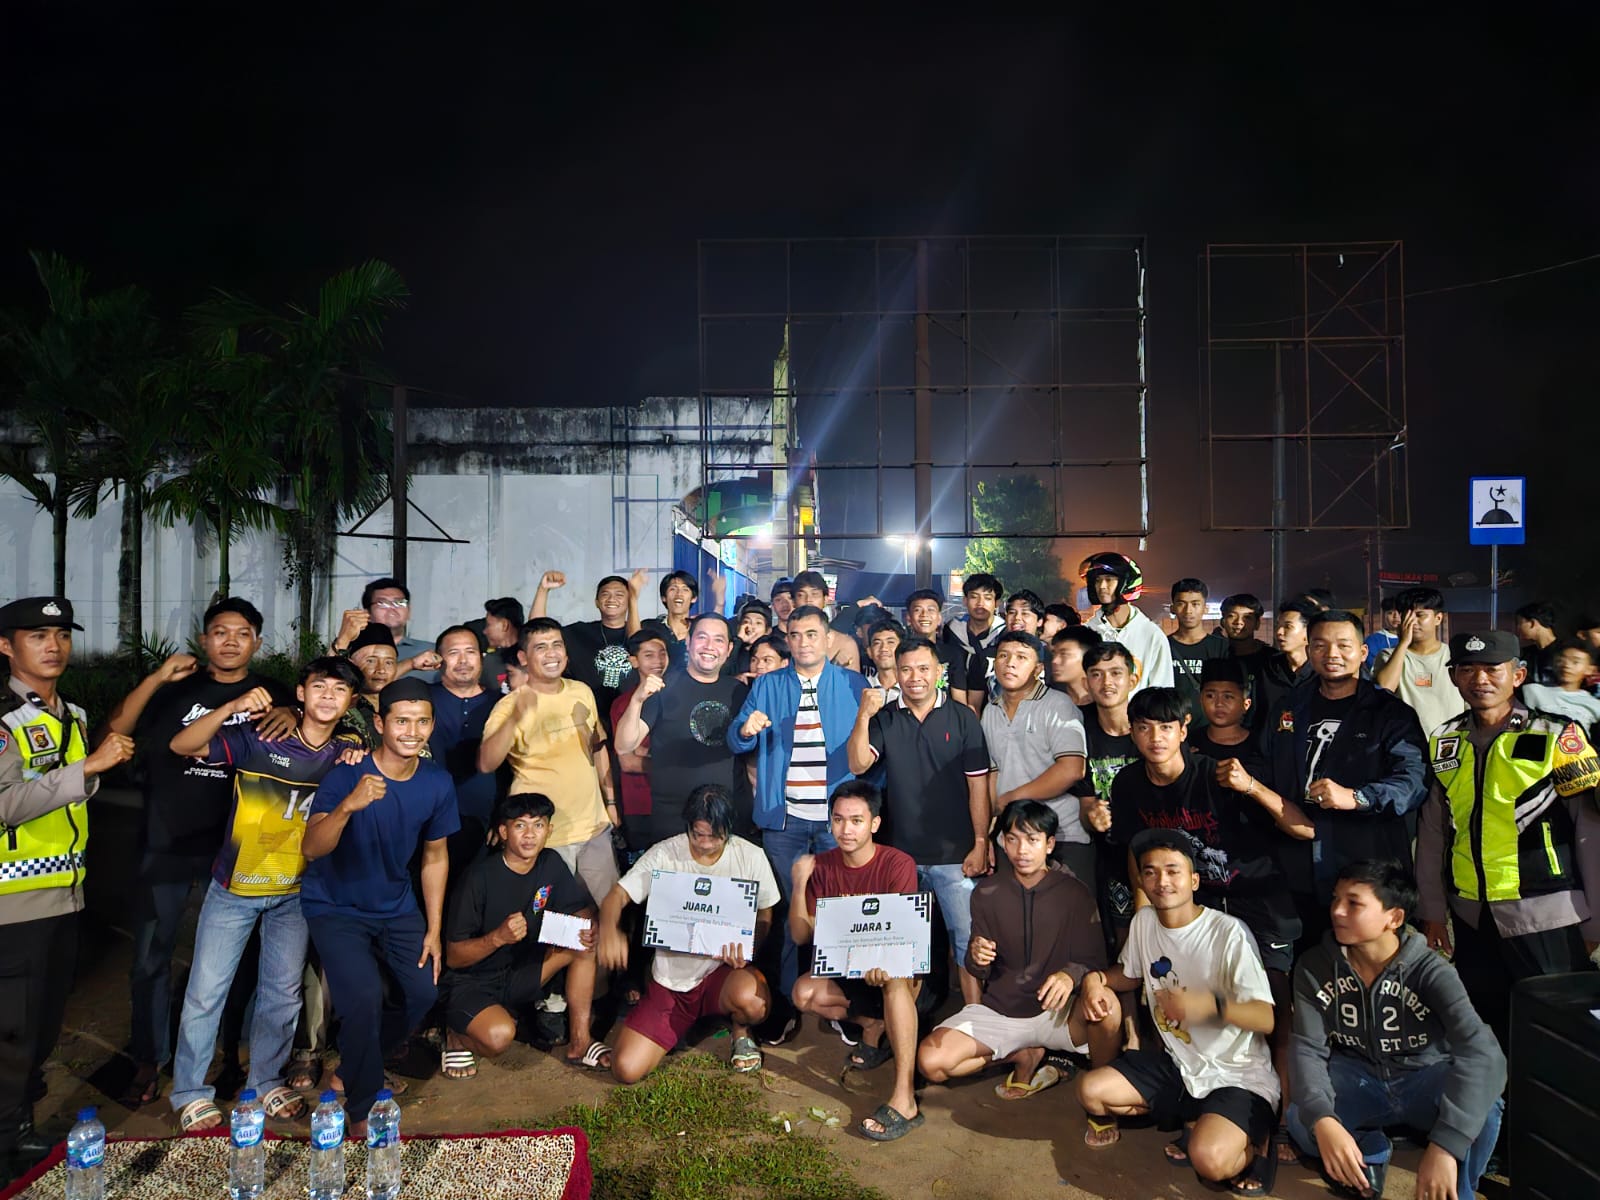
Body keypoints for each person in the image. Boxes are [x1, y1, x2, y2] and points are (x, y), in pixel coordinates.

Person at [100, 596, 294, 1107]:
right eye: (220, 632)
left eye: (242, 633)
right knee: (151, 955)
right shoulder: (175, 689)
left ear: (257, 642)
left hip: (234, 850)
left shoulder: (274, 695)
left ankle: (234, 1054)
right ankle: (149, 1057)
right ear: (204, 639)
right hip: (166, 841)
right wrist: (156, 678)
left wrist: (291, 712)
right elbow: (113, 734)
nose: (230, 641)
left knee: (238, 961)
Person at [166, 657, 363, 1131]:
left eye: (339, 690)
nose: (328, 696)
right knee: (206, 992)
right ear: (301, 693)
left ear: (351, 702)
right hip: (234, 887)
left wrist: (359, 746)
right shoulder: (260, 738)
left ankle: (266, 1081)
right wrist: (231, 706)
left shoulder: (345, 753)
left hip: (295, 892)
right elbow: (182, 744)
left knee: (282, 994)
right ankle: (189, 1091)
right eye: (319, 686)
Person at [0, 598, 134, 1179]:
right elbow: (5, 805)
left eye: (61, 634)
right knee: (12, 1031)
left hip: (64, 893)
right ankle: (6, 1146)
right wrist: (88, 769)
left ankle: (19, 1130)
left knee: (41, 1026)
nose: (53, 646)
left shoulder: (70, 714)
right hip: (12, 903)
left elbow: (71, 796)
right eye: (37, 635)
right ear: (5, 646)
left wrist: (88, 772)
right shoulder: (4, 719)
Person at [1416, 630, 1600, 1052]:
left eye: (1492, 669)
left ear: (1517, 676)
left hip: (1547, 914)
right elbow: (1432, 831)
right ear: (1453, 677)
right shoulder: (1445, 741)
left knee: (1557, 1036)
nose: (1479, 679)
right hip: (1472, 917)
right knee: (1484, 1033)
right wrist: (1432, 911)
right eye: (1467, 669)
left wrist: (1596, 920)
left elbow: (1590, 832)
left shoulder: (1557, 736)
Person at [1076, 829, 1279, 1197]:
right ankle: (1196, 1117)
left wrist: (1201, 1005)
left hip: (1235, 1073)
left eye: (1173, 871)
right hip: (1179, 1066)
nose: (1161, 881)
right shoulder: (1144, 922)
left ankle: (1258, 1143)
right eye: (1150, 872)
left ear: (1194, 880)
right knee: (1091, 1091)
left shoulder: (1228, 933)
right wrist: (1095, 979)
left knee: (1211, 1163)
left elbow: (1265, 1018)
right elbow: (1129, 974)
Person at [1289, 860, 1506, 1200]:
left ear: (1394, 918)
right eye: (1336, 899)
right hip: (1357, 1077)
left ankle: (1457, 1192)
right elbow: (1307, 1048)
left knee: (1486, 1110)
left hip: (1424, 1076)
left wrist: (1446, 1145)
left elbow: (1484, 1053)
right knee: (1301, 1119)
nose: (1338, 911)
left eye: (1354, 903)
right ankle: (1371, 1148)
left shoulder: (1430, 971)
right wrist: (1323, 1120)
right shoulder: (1314, 967)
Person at [299, 677, 460, 1135]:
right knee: (363, 998)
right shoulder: (346, 775)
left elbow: (435, 857)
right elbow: (312, 847)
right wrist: (347, 807)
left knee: (424, 992)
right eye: (401, 721)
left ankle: (355, 1065)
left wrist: (434, 929)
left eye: (422, 722)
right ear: (379, 723)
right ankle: (362, 1108)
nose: (412, 731)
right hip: (335, 906)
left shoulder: (437, 782)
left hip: (395, 905)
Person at [918, 801, 1119, 1103]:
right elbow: (978, 968)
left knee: (1107, 1005)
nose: (1022, 850)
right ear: (1003, 842)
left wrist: (1068, 976)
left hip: (1058, 1014)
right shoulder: (986, 893)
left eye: (1032, 840)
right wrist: (976, 955)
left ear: (1049, 844)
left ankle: (1104, 1097)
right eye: (1013, 839)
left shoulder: (1074, 892)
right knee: (931, 1062)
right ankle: (1021, 1054)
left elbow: (1094, 960)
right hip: (1002, 1013)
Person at [727, 605, 867, 1018]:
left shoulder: (853, 683)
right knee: (791, 910)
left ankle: (839, 997)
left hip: (836, 822)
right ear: (786, 641)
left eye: (811, 634)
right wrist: (746, 729)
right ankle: (788, 1000)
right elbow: (736, 741)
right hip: (783, 819)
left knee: (838, 908)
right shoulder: (768, 684)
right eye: (795, 635)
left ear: (828, 639)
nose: (803, 642)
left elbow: (867, 751)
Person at [597, 785, 780, 1082]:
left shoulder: (750, 856)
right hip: (671, 982)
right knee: (626, 1070)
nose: (706, 844)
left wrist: (748, 948)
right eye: (698, 834)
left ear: (729, 829)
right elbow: (616, 896)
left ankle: (740, 1030)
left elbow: (766, 911)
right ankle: (680, 1024)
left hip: (721, 974)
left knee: (754, 1002)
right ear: (688, 826)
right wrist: (609, 930)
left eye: (715, 836)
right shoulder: (665, 853)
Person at [1268, 610, 1428, 946]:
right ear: (1309, 650)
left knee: (1373, 961)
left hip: (1366, 866)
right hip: (1297, 866)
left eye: (1343, 645)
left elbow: (1413, 781)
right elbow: (1263, 765)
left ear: (1363, 651)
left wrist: (1357, 797)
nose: (1332, 654)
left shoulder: (1390, 713)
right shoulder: (1289, 707)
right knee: (1310, 961)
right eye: (1320, 645)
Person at [848, 636, 990, 1006]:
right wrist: (863, 714)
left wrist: (980, 842)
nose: (915, 677)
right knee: (906, 945)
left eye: (924, 668)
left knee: (966, 942)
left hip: (955, 855)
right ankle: (910, 1020)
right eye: (906, 670)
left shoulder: (963, 718)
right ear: (895, 673)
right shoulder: (886, 717)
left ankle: (974, 1017)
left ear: (939, 671)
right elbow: (858, 763)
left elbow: (978, 786)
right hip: (902, 856)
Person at [788, 782, 925, 1140]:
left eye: (856, 820)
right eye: (838, 820)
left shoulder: (898, 863)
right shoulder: (822, 866)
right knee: (803, 992)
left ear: (874, 824)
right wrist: (799, 885)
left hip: (891, 967)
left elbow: (903, 938)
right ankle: (873, 1026)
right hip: (849, 968)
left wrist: (883, 962)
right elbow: (801, 935)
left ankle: (905, 1097)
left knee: (895, 976)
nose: (846, 829)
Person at [441, 793, 609, 1078]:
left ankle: (580, 1042)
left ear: (549, 830)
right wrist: (497, 937)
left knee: (583, 942)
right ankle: (455, 1035)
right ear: (504, 831)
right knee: (499, 1037)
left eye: (538, 825)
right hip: (473, 981)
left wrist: (587, 926)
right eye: (520, 825)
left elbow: (579, 908)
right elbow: (454, 958)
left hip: (520, 971)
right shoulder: (478, 878)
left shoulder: (550, 862)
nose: (530, 835)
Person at [479, 618, 620, 905]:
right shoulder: (509, 706)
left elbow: (597, 748)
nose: (552, 653)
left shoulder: (582, 691)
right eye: (541, 647)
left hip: (594, 830)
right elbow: (486, 763)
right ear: (523, 657)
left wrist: (611, 803)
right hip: (545, 838)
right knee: (550, 922)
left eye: (557, 645)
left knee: (608, 915)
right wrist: (515, 718)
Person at [615, 613, 739, 849]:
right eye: (702, 637)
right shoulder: (664, 686)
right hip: (671, 817)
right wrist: (637, 700)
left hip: (722, 817)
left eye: (718, 640)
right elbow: (623, 745)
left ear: (728, 649)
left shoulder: (738, 691)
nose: (709, 646)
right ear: (688, 642)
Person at [981, 631, 1090, 883]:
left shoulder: (1058, 705)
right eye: (1003, 656)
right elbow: (992, 776)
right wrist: (987, 835)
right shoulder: (990, 711)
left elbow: (1072, 769)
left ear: (1038, 668)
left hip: (1061, 836)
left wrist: (1011, 798)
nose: (1010, 663)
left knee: (1069, 906)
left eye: (1021, 657)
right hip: (1011, 838)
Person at [1073, 643, 1144, 947]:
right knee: (1122, 940)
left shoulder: (1151, 724)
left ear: (1133, 679)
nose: (1107, 682)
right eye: (1096, 674)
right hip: (1109, 855)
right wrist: (1092, 815)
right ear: (1086, 682)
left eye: (1116, 673)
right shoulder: (1078, 727)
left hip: (1153, 847)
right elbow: (1085, 803)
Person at [428, 626, 502, 880]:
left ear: (481, 657)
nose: (463, 661)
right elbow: (374, 690)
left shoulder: (501, 704)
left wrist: (504, 815)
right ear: (439, 659)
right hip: (431, 821)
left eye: (470, 652)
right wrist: (411, 664)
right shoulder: (423, 698)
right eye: (453, 653)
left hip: (488, 823)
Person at [530, 569, 647, 726]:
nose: (612, 599)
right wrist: (543, 590)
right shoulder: (579, 632)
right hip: (584, 719)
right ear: (596, 602)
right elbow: (537, 632)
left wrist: (633, 599)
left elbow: (637, 644)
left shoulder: (641, 631)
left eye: (619, 595)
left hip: (629, 718)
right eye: (605, 594)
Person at [608, 628, 670, 858]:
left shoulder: (678, 697)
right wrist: (670, 765)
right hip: (640, 805)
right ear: (633, 661)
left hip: (674, 803)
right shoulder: (623, 704)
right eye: (649, 655)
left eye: (662, 653)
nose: (658, 661)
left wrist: (645, 753)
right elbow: (628, 762)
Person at [1373, 586, 1465, 736]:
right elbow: (1384, 690)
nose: (1413, 622)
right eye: (1407, 616)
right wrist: (1403, 643)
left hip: (1450, 742)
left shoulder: (1455, 657)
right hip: (1405, 743)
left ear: (1438, 618)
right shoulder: (1388, 656)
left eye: (1420, 615)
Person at [1081, 553, 1173, 692]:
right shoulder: (1086, 633)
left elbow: (1163, 692)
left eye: (1109, 580)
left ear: (1127, 583)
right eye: (1098, 580)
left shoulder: (1152, 636)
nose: (1102, 586)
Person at [332, 578, 441, 680]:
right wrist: (343, 639)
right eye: (382, 603)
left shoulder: (432, 650)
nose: (392, 608)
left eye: (399, 602)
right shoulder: (349, 649)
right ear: (367, 613)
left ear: (409, 611)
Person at [1188, 657, 1270, 783]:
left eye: (1228, 697)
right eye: (1210, 696)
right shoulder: (1187, 743)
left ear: (1246, 704)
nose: (1219, 703)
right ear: (1201, 700)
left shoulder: (1261, 746)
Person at [963, 590, 1046, 714]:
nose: (1017, 618)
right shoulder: (984, 657)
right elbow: (974, 705)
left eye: (1025, 613)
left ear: (1040, 621)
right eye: (1012, 612)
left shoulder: (1051, 658)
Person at [1168, 578, 1228, 726]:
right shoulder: (1162, 646)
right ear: (1172, 608)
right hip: (1172, 727)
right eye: (1181, 603)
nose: (1188, 611)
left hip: (1211, 729)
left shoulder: (1222, 647)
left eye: (1195, 604)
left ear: (1205, 608)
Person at [903, 588, 969, 705]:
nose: (924, 615)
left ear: (939, 618)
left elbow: (959, 699)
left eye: (931, 610)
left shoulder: (952, 654)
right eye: (918, 610)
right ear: (908, 618)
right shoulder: (901, 653)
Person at [1256, 599, 1317, 721]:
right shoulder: (1267, 668)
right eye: (1278, 626)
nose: (1279, 632)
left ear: (1309, 632)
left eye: (1288, 626)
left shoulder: (1321, 672)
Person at [1521, 639, 1600, 733]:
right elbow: (1514, 726)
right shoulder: (1531, 691)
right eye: (1561, 660)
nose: (1567, 665)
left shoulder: (1595, 705)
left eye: (1575, 662)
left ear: (1590, 669)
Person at [342, 622, 400, 749]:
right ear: (352, 664)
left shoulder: (402, 705)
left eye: (389, 662)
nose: (381, 670)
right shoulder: (342, 708)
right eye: (371, 661)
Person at [792, 570, 861, 671]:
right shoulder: (782, 644)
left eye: (814, 594)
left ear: (826, 599)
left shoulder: (845, 643)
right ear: (793, 601)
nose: (808, 600)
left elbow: (852, 680)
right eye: (801, 595)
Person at [941, 573, 1004, 671]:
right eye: (974, 597)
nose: (980, 603)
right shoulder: (952, 630)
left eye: (987, 598)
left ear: (996, 603)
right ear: (965, 600)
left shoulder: (1003, 633)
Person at [1049, 626, 1102, 707]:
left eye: (1064, 654)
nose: (1054, 661)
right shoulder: (1049, 701)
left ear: (1088, 657)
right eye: (1054, 654)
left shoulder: (1106, 702)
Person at [1513, 601, 1560, 685]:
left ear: (1532, 623)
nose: (1517, 628)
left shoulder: (1564, 651)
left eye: (1519, 623)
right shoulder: (1525, 653)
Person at [862, 618, 904, 699]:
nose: (884, 648)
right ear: (869, 651)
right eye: (877, 643)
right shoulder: (861, 686)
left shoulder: (912, 686)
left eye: (890, 642)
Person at [1363, 597, 1401, 662]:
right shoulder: (1373, 640)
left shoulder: (1414, 638)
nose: (1396, 616)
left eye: (1399, 612)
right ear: (1384, 615)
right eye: (1390, 613)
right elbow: (1373, 666)